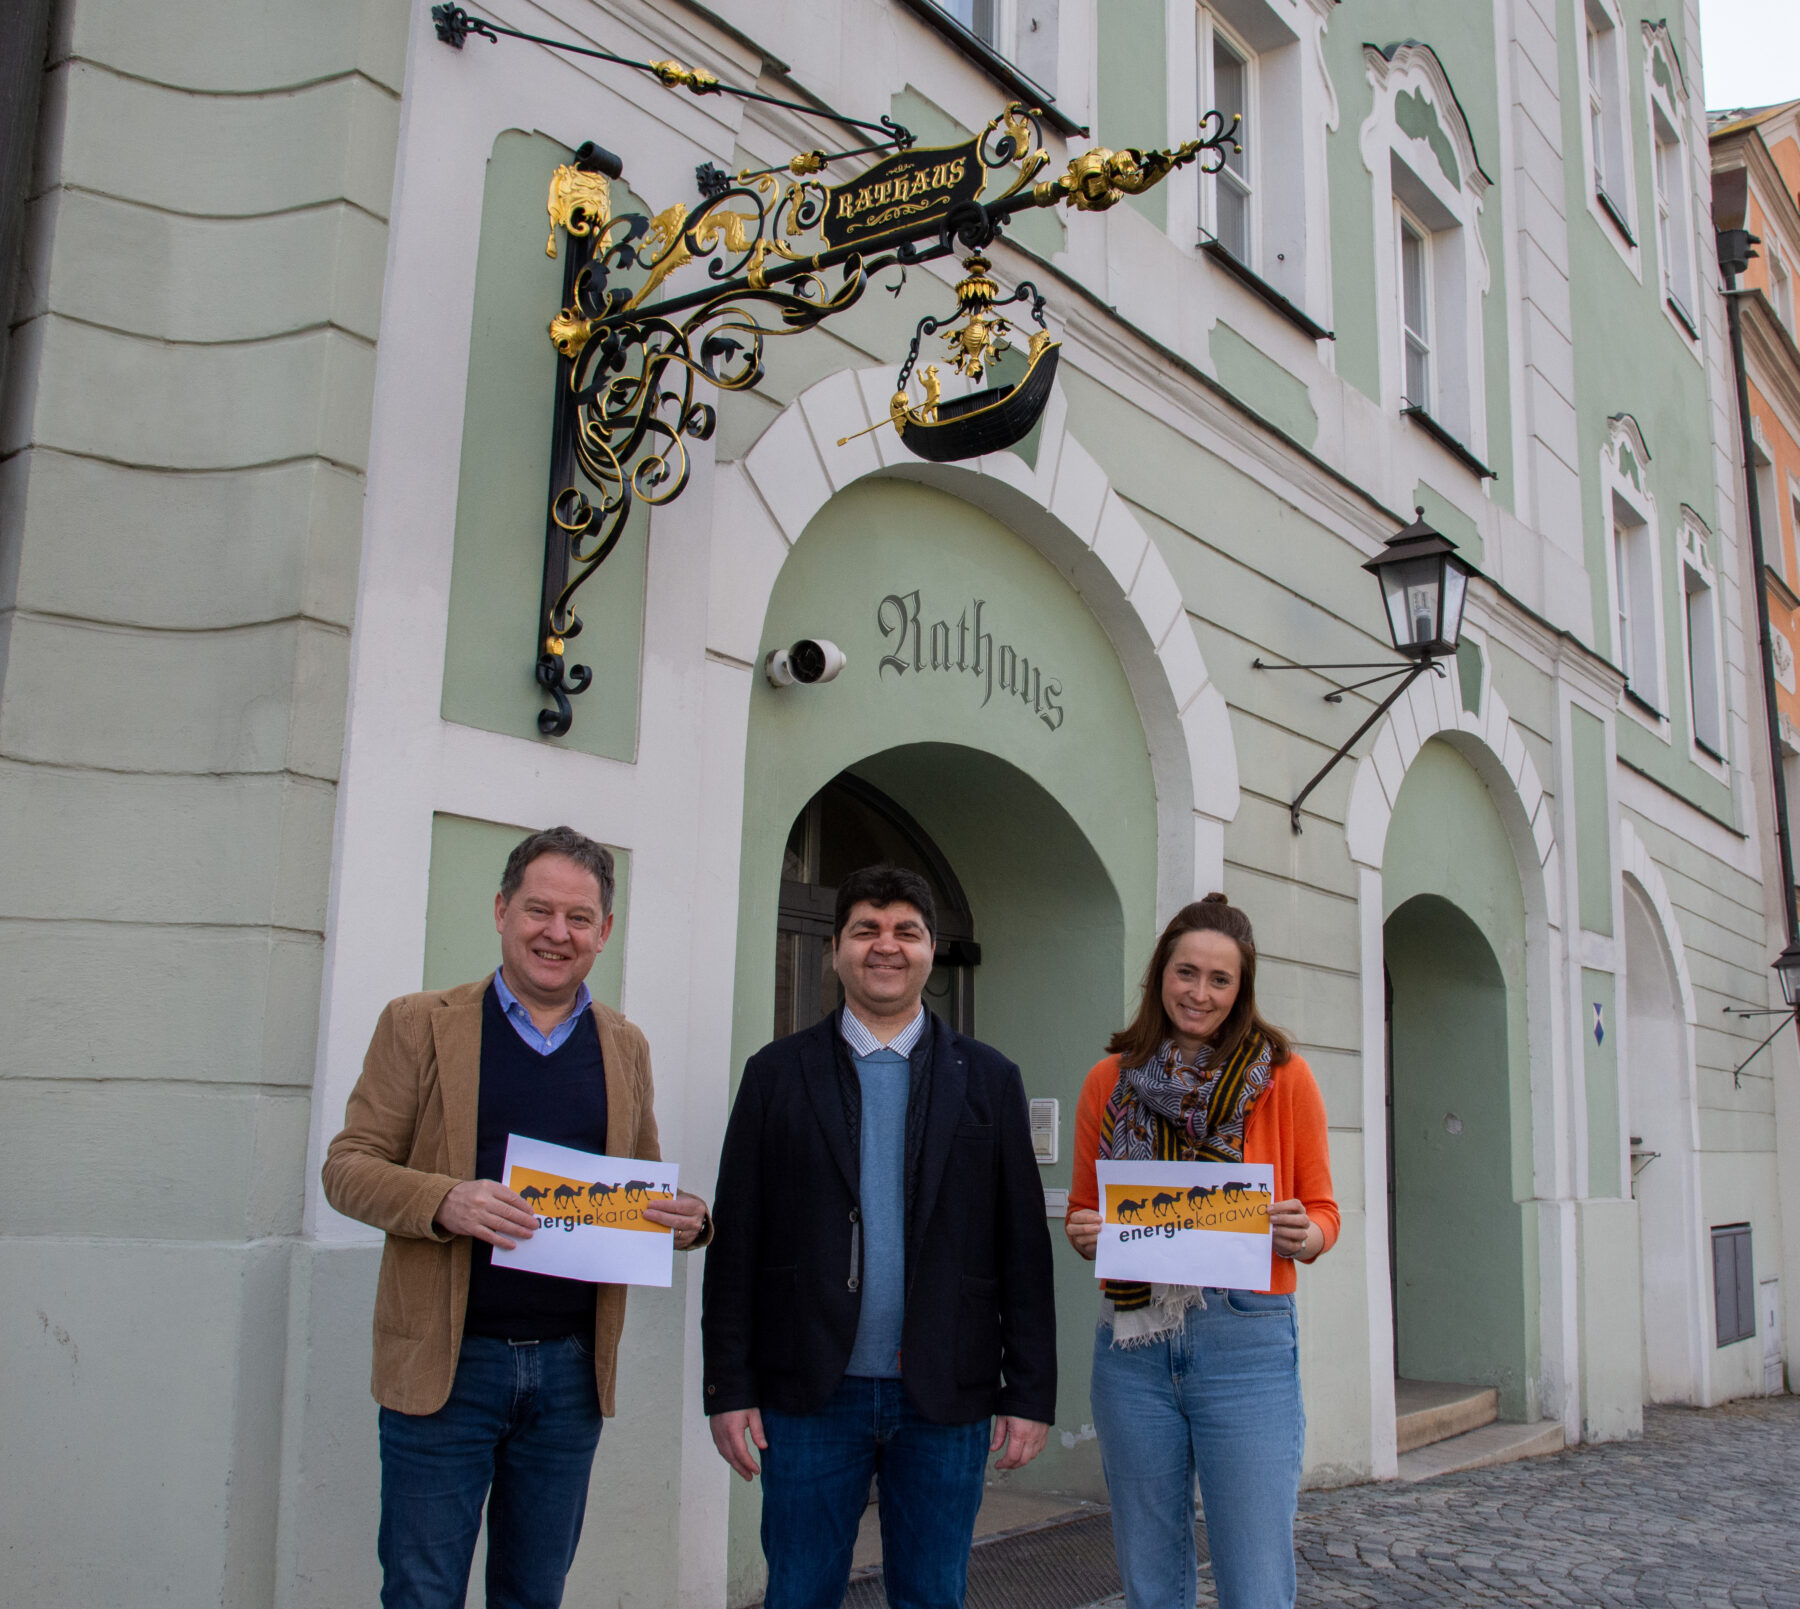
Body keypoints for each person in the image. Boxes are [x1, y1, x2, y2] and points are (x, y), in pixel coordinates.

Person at [322, 825, 711, 1609]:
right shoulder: (419, 1022)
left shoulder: (624, 1045)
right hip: (446, 1365)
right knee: (422, 1592)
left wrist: (689, 1220)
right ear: (502, 911)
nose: (556, 932)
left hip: (569, 1373)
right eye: (539, 910)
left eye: (578, 917)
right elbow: (348, 1167)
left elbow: (639, 1183)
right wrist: (445, 1199)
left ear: (603, 931)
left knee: (534, 1593)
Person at [702, 863, 1057, 1609]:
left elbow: (1023, 1249)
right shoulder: (775, 1074)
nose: (886, 945)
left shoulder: (990, 1078)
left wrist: (1029, 1392)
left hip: (945, 1391)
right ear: (835, 949)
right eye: (866, 929)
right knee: (798, 1593)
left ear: (932, 950)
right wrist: (727, 1388)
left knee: (932, 1595)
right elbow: (737, 1243)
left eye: (907, 931)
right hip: (807, 1393)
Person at [1064, 894, 1337, 1609]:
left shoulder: (1284, 1078)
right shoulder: (1109, 1080)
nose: (1200, 993)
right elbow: (1085, 1209)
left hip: (1245, 1338)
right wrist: (1086, 1230)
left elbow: (1323, 1212)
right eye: (1187, 972)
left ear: (1241, 989)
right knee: (1150, 1578)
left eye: (1221, 979)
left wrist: (1303, 1233)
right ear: (1161, 974)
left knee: (1255, 1579)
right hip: (1133, 1346)